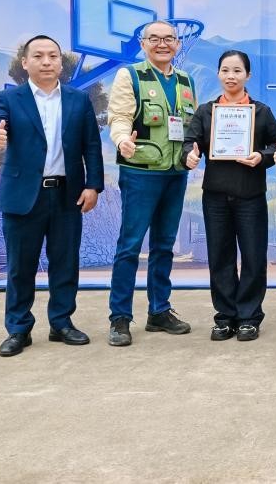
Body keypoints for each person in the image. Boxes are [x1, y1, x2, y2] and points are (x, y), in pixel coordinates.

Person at [0, 35, 103, 357]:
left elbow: (91, 145)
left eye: (53, 56)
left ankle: (61, 323)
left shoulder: (79, 100)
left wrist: (93, 186)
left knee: (65, 263)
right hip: (24, 196)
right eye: (38, 56)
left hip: (67, 195)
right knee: (21, 267)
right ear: (25, 62)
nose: (46, 61)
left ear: (61, 63)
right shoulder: (9, 99)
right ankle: (18, 329)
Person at [106, 20, 198, 347]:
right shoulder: (130, 76)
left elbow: (191, 127)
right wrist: (122, 140)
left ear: (178, 44)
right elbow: (118, 116)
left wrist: (192, 151)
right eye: (154, 38)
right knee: (130, 245)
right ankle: (120, 317)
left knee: (164, 245)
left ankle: (159, 310)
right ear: (143, 43)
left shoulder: (186, 80)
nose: (162, 44)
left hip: (175, 174)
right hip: (140, 171)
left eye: (169, 38)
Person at [183, 50, 276, 342]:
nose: (231, 76)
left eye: (237, 71)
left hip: (250, 195)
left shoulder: (261, 112)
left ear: (248, 75)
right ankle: (225, 316)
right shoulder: (206, 111)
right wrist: (189, 155)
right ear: (218, 74)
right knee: (220, 256)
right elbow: (190, 141)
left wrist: (262, 156)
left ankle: (249, 317)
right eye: (225, 70)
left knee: (253, 256)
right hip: (215, 195)